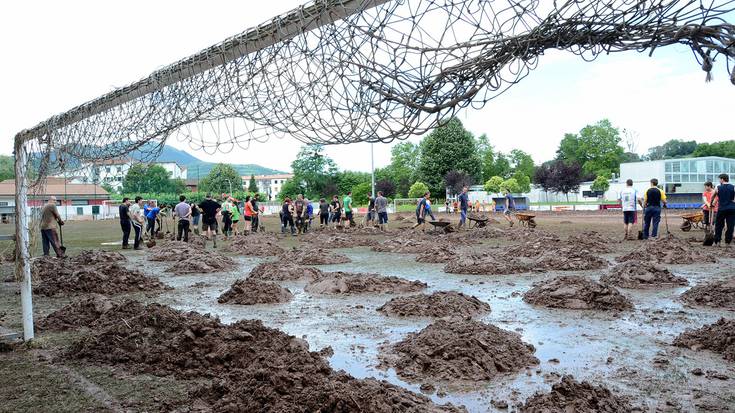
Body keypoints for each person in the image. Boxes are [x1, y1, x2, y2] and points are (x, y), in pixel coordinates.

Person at [712, 173, 735, 246]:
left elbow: (713, 196)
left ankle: (717, 241)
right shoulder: (733, 187)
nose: (719, 180)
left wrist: (711, 203)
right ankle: (727, 242)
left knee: (719, 225)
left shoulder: (718, 187)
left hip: (722, 209)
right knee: (730, 225)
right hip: (731, 209)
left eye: (719, 179)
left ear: (722, 179)